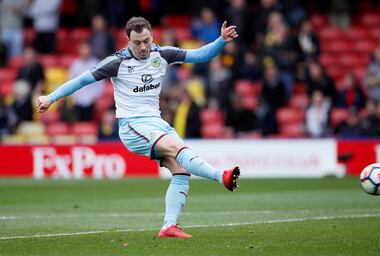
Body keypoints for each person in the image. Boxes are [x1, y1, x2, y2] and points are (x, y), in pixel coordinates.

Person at [36, 16, 240, 239]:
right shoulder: (117, 62)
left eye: (146, 40)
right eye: (137, 42)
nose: (143, 47)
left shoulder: (162, 54)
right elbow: (81, 80)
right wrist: (51, 97)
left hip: (157, 123)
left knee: (181, 170)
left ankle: (168, 227)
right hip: (132, 126)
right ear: (127, 40)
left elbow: (200, 55)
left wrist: (221, 40)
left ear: (152, 36)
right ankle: (221, 176)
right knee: (175, 146)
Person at [69, 42, 104, 121]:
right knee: (78, 124)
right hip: (77, 99)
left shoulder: (96, 63)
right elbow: (71, 81)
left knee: (89, 124)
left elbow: (100, 82)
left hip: (91, 100)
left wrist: (95, 96)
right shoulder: (75, 64)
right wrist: (73, 97)